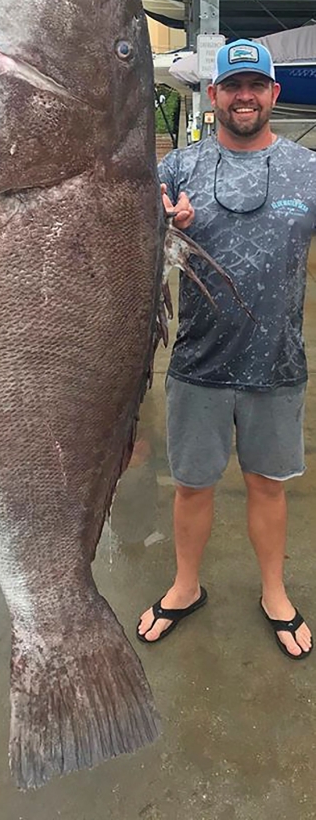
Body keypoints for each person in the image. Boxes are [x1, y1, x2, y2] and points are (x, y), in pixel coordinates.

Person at [137, 38, 315, 660]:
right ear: (212, 96)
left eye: (255, 85)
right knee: (192, 487)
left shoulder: (306, 169)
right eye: (232, 86)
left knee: (269, 487)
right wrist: (162, 220)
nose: (244, 96)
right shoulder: (177, 169)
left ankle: (274, 591)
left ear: (273, 94)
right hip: (197, 365)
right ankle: (186, 586)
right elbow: (125, 226)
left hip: (278, 365)